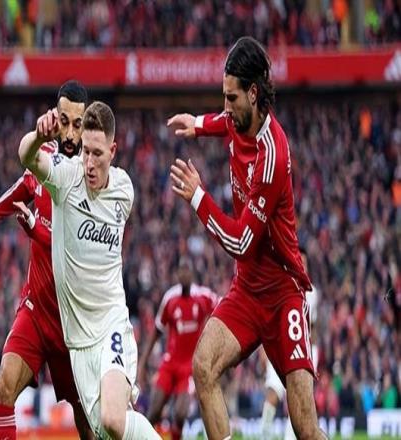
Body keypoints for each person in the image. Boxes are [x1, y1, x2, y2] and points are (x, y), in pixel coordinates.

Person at [167, 36, 325, 439]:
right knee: (203, 367)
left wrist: (198, 197)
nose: (225, 106)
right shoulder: (239, 119)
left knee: (306, 429)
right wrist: (198, 124)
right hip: (248, 293)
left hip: (283, 295)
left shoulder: (273, 155)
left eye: (231, 97)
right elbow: (224, 122)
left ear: (254, 94)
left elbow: (241, 243)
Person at [18, 100, 161, 439]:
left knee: (112, 419)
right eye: (85, 152)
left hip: (111, 322)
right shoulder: (66, 179)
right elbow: (26, 156)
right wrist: (38, 137)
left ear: (113, 151)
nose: (90, 163)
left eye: (98, 153)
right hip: (78, 340)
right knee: (104, 430)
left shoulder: (124, 190)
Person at [0, 81, 93, 440]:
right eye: (64, 121)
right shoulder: (46, 156)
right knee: (4, 386)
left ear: (86, 123)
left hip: (74, 323)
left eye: (78, 124)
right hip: (37, 311)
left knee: (88, 421)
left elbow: (75, 249)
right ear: (55, 117)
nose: (70, 132)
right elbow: (25, 183)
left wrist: (36, 229)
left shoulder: (92, 175)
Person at [137, 258, 218, 440]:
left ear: (192, 273)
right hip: (170, 363)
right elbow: (157, 331)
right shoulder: (170, 298)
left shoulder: (203, 296)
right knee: (153, 412)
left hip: (189, 365)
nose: (184, 273)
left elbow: (223, 306)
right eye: (181, 270)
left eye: (186, 269)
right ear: (177, 274)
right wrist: (142, 363)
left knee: (180, 414)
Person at [260, 249, 320, 440]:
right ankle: (264, 434)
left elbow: (312, 327)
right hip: (279, 347)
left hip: (302, 351)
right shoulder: (280, 284)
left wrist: (314, 355)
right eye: (300, 260)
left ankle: (290, 437)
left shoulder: (312, 293)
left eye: (305, 262)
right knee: (273, 392)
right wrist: (263, 350)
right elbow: (267, 321)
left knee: (299, 398)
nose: (302, 265)